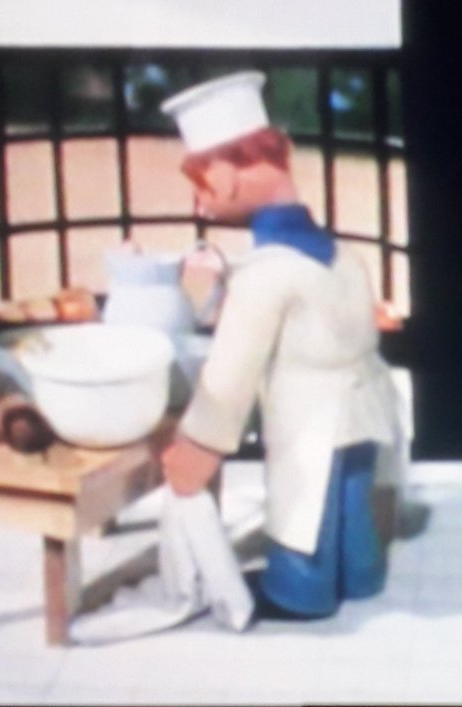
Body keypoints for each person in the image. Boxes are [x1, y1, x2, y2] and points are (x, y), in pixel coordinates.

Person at [158, 70, 403, 619]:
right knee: (350, 503)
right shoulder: (341, 255)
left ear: (229, 174)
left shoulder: (265, 275)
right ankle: (360, 577)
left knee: (302, 506)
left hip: (309, 414)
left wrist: (197, 447)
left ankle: (300, 593)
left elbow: (230, 375)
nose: (201, 202)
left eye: (201, 185)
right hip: (366, 401)